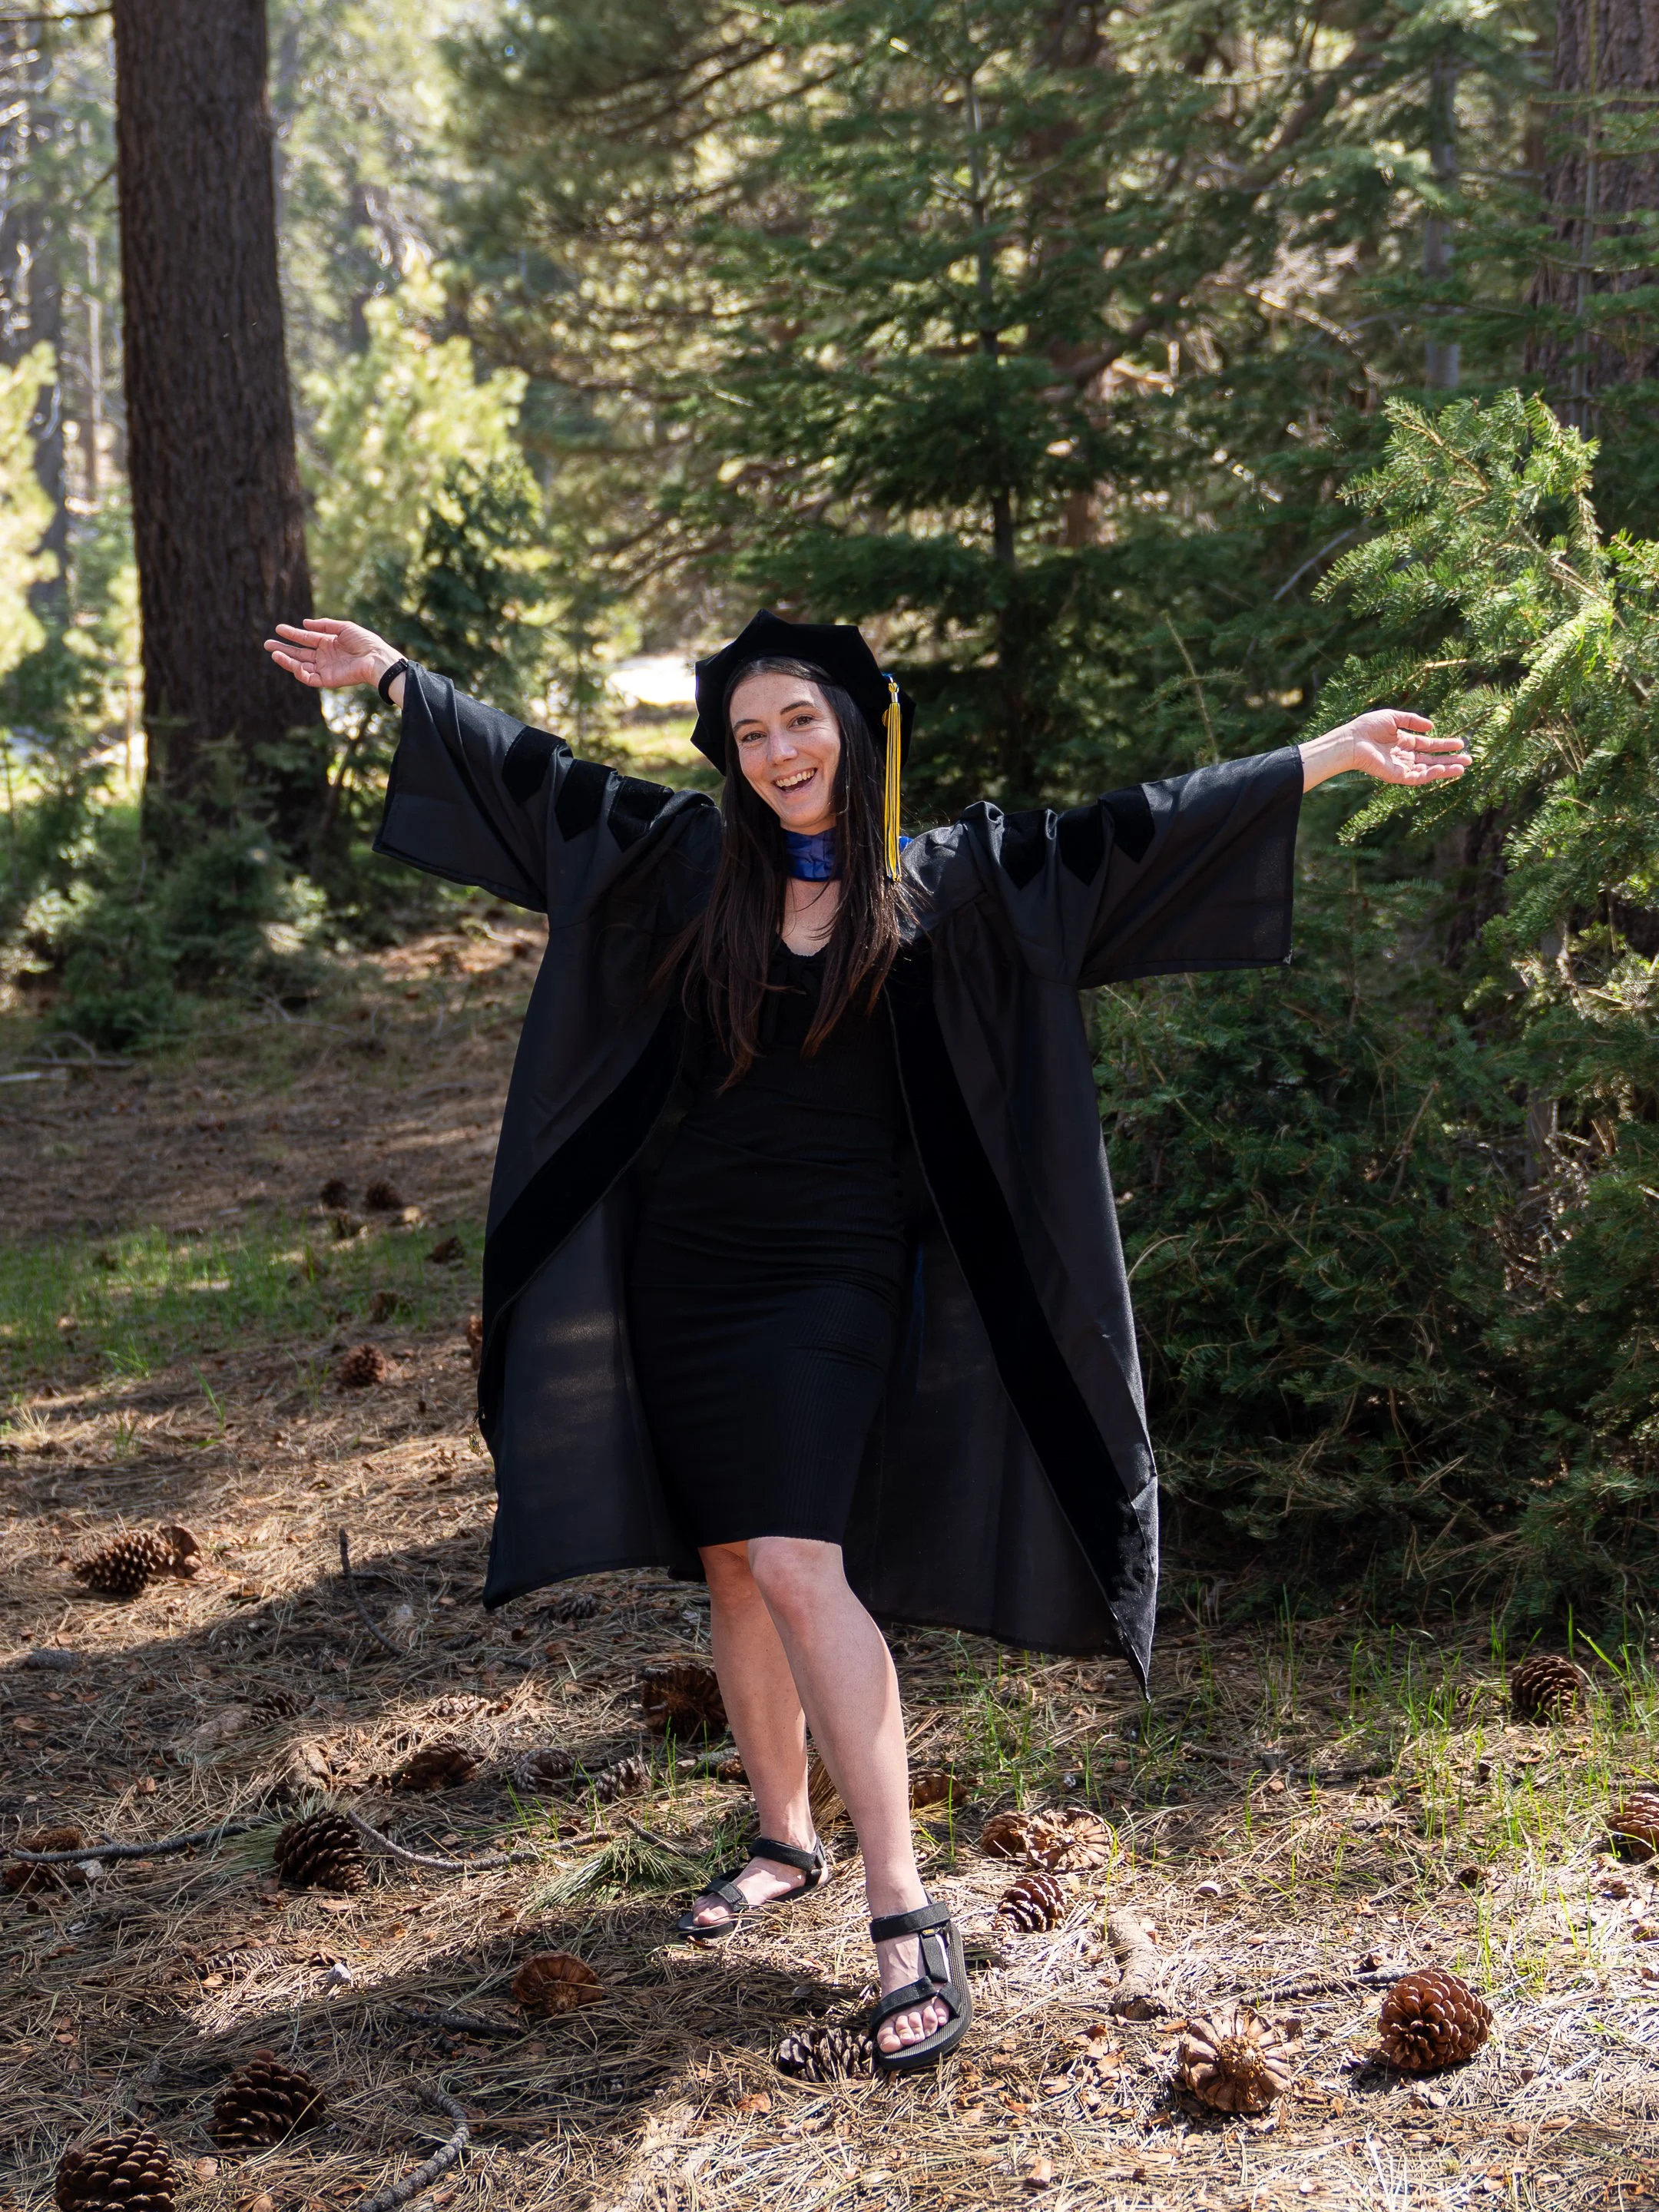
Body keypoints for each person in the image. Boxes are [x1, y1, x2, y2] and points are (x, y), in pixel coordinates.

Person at [264, 608, 1468, 2069]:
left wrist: (1322, 759)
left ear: (857, 725)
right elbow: (539, 780)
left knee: (794, 1558)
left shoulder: (947, 880)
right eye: (752, 733)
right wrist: (400, 679)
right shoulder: (689, 863)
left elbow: (1133, 834)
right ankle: (782, 1832)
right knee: (728, 1556)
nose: (778, 753)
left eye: (802, 723)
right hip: (684, 1265)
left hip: (828, 1279)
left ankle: (908, 1911)